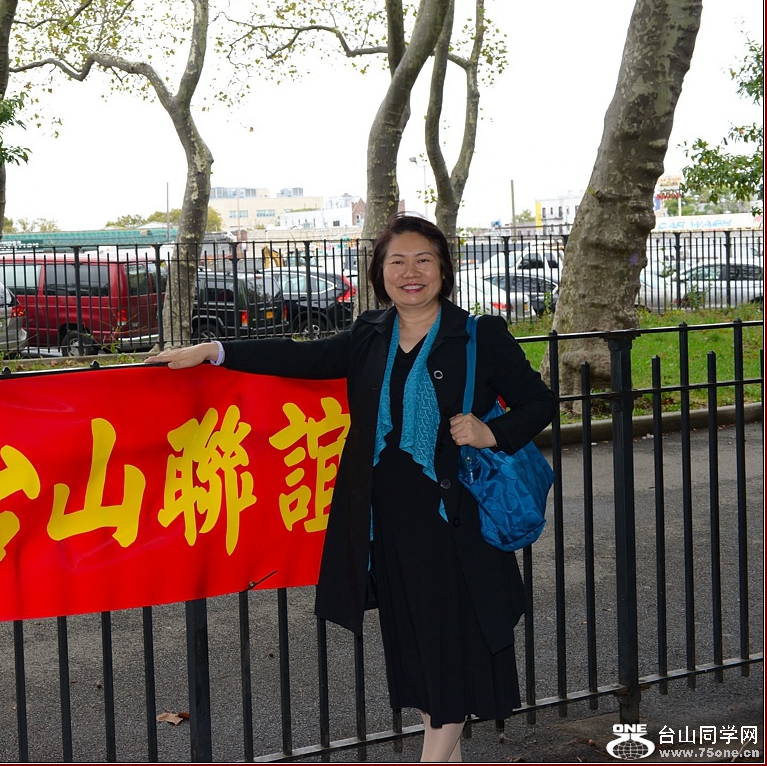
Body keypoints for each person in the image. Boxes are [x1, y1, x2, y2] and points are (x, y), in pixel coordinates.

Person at [148, 213, 556, 762]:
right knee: (421, 654)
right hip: (387, 526)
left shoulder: (479, 336)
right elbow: (302, 356)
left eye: (423, 260)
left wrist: (491, 433)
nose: (411, 273)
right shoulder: (370, 334)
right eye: (397, 262)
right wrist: (215, 351)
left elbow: (539, 402)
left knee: (452, 653)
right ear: (379, 273)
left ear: (444, 269)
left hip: (455, 525)